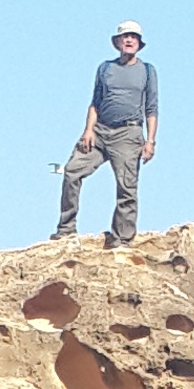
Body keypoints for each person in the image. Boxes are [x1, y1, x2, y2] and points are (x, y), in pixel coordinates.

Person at [52, 22, 159, 248]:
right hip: (100, 130)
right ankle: (66, 230)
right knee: (71, 172)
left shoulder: (148, 71)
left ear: (139, 44)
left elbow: (152, 108)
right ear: (118, 42)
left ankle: (122, 239)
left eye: (133, 37)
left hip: (129, 133)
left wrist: (150, 141)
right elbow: (95, 103)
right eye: (125, 37)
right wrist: (88, 130)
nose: (129, 40)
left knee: (127, 187)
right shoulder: (105, 68)